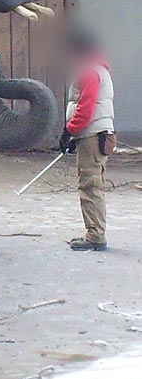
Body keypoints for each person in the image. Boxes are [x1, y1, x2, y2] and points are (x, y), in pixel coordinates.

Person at [59, 27, 115, 251]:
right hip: (96, 134)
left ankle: (95, 236)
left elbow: (86, 107)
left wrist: (70, 130)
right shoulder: (100, 70)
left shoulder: (90, 72)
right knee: (94, 183)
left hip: (91, 135)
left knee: (90, 185)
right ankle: (95, 232)